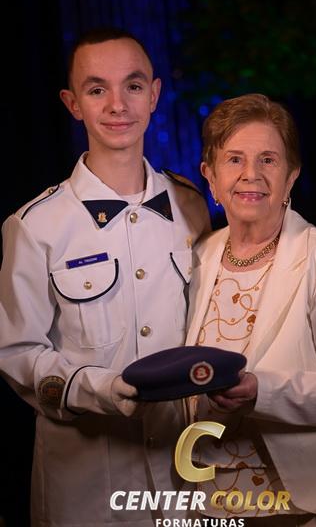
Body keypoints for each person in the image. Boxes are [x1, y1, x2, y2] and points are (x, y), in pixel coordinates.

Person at [0, 27, 210, 526]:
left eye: (132, 86)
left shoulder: (191, 205)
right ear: (73, 104)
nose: (118, 105)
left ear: (153, 95)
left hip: (186, 474)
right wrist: (96, 389)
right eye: (97, 89)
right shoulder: (34, 226)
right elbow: (16, 353)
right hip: (88, 487)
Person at [185, 93, 316, 526]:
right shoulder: (194, 259)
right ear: (210, 176)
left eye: (268, 160)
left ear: (291, 176)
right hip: (216, 505)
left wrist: (261, 391)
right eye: (234, 160)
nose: (251, 174)